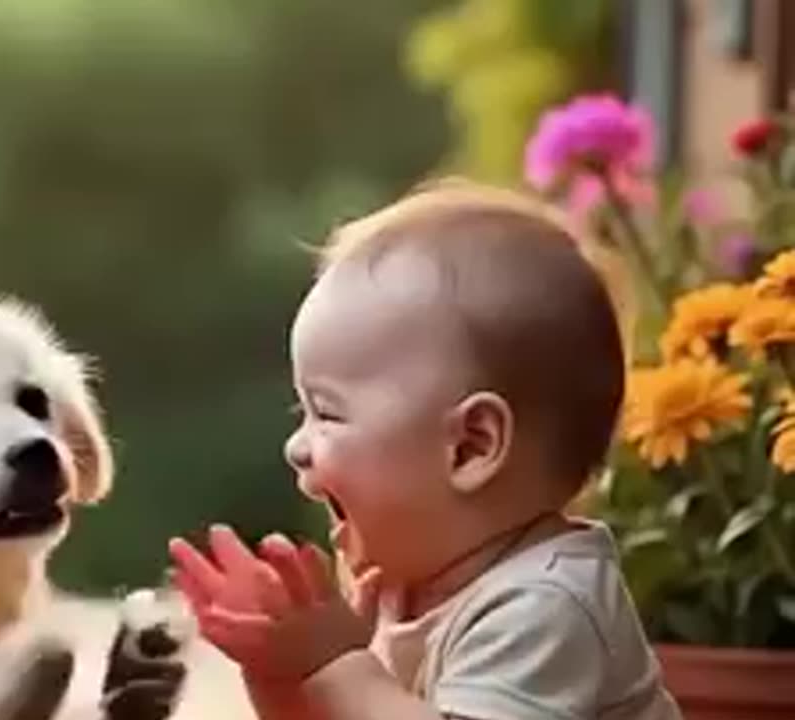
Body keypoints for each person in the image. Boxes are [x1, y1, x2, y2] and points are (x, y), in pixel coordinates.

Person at [168, 180, 681, 720]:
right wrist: (281, 670)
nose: (297, 447)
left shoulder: (546, 605)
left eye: (326, 413)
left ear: (470, 447)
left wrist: (337, 665)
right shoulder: (406, 589)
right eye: (303, 414)